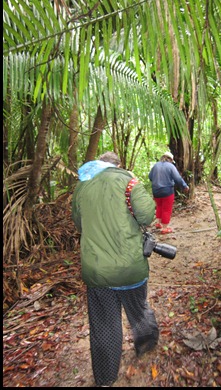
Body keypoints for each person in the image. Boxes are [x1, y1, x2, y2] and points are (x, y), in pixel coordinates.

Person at [72, 151, 159, 387]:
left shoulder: (82, 185)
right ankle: (147, 345)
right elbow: (147, 215)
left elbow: (79, 223)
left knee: (104, 325)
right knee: (138, 308)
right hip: (129, 265)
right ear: (118, 165)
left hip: (97, 270)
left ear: (99, 164)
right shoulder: (129, 180)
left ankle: (105, 377)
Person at [149, 151, 189, 234]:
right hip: (167, 191)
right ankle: (164, 228)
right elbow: (177, 178)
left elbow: (150, 177)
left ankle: (158, 223)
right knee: (167, 209)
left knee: (159, 206)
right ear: (170, 159)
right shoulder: (171, 166)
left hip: (156, 191)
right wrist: (184, 186)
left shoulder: (156, 165)